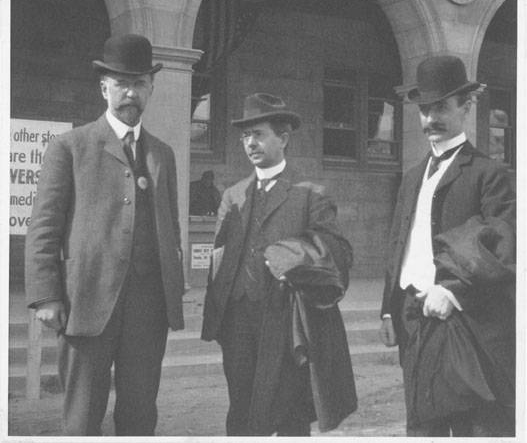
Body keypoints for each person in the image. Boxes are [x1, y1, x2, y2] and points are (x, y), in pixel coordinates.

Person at [25, 34, 185, 436]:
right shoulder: (71, 147)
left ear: (151, 87)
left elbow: (171, 225)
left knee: (139, 414)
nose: (131, 92)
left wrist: (173, 290)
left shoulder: (162, 153)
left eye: (140, 84)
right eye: (121, 84)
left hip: (148, 310)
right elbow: (44, 225)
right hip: (87, 304)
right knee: (82, 416)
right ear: (104, 88)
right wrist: (46, 295)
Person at [201, 93, 357, 436]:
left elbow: (337, 255)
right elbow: (219, 255)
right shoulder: (233, 195)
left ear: (283, 139)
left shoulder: (309, 193)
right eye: (245, 136)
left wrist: (291, 254)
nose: (250, 143)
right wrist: (218, 313)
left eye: (258, 134)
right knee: (241, 412)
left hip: (285, 322)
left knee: (289, 415)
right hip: (238, 322)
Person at [379, 55, 516, 437]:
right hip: (413, 317)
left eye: (441, 107)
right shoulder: (411, 177)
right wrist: (389, 309)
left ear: (466, 106)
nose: (430, 119)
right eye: (424, 109)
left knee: (476, 425)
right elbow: (399, 245)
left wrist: (453, 292)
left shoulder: (490, 175)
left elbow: (505, 247)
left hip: (467, 322)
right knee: (423, 425)